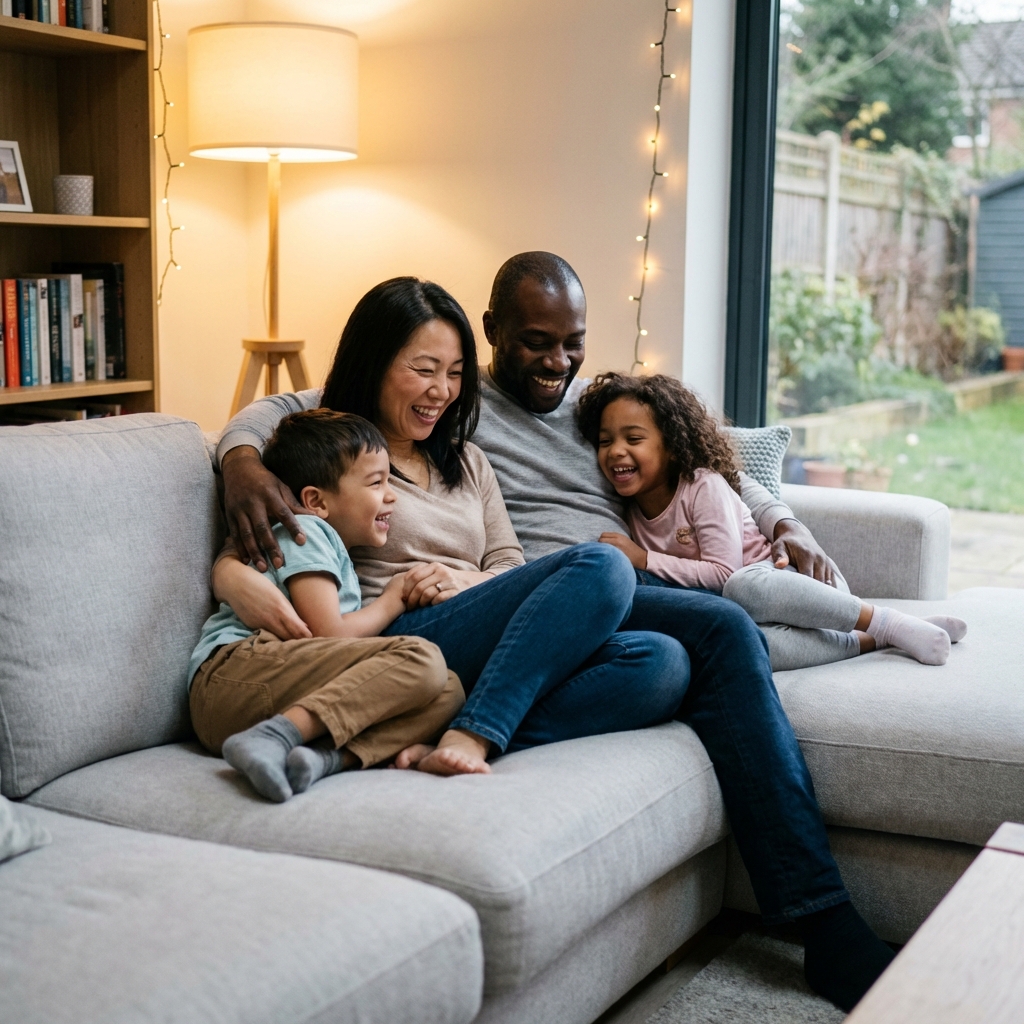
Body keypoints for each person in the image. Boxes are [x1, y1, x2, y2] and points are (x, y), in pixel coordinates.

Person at [216, 259, 892, 1012]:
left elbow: (699, 462)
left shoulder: (479, 440)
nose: (555, 362)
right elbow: (266, 421)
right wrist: (238, 469)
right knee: (693, 615)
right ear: (495, 333)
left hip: (524, 609)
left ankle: (428, 732)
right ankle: (821, 917)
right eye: (424, 370)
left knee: (663, 666)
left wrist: (783, 520)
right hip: (413, 633)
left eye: (570, 343)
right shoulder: (344, 446)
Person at [213, 276, 689, 779]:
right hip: (398, 639)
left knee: (661, 663)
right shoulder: (332, 458)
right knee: (605, 565)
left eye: (456, 373)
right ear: (373, 364)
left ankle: (445, 729)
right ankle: (475, 733)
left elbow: (508, 562)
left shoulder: (469, 460)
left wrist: (470, 581)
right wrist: (229, 560)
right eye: (424, 370)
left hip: (483, 626)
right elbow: (268, 527)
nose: (442, 391)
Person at [575, 370, 968, 670]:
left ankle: (883, 621)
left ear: (673, 447)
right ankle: (875, 640)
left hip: (799, 586)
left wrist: (644, 560)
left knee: (744, 587)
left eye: (634, 439)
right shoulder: (628, 508)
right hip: (752, 614)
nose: (616, 452)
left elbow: (724, 571)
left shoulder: (703, 485)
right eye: (606, 441)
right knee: (742, 644)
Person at [190, 409, 464, 803]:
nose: (392, 495)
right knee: (423, 659)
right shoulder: (308, 533)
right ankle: (275, 736)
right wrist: (392, 599)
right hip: (233, 677)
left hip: (262, 694)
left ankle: (317, 759)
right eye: (376, 483)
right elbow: (328, 633)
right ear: (315, 501)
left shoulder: (329, 546)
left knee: (448, 690)